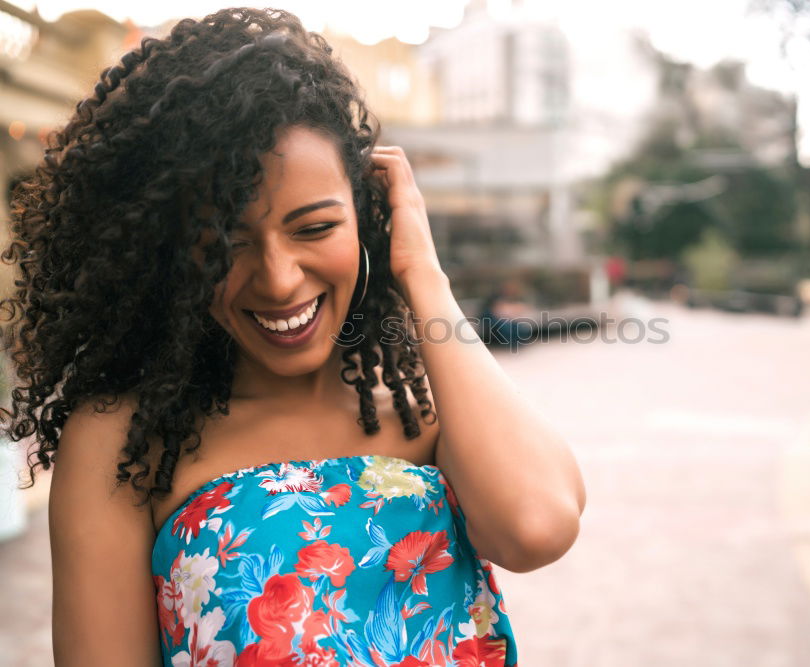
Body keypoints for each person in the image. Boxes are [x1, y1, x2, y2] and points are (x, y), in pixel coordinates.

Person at [0, 8, 586, 665]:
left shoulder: (435, 403)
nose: (278, 280)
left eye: (314, 229)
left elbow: (537, 526)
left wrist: (423, 273)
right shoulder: (124, 444)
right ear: (170, 254)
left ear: (366, 217)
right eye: (225, 246)